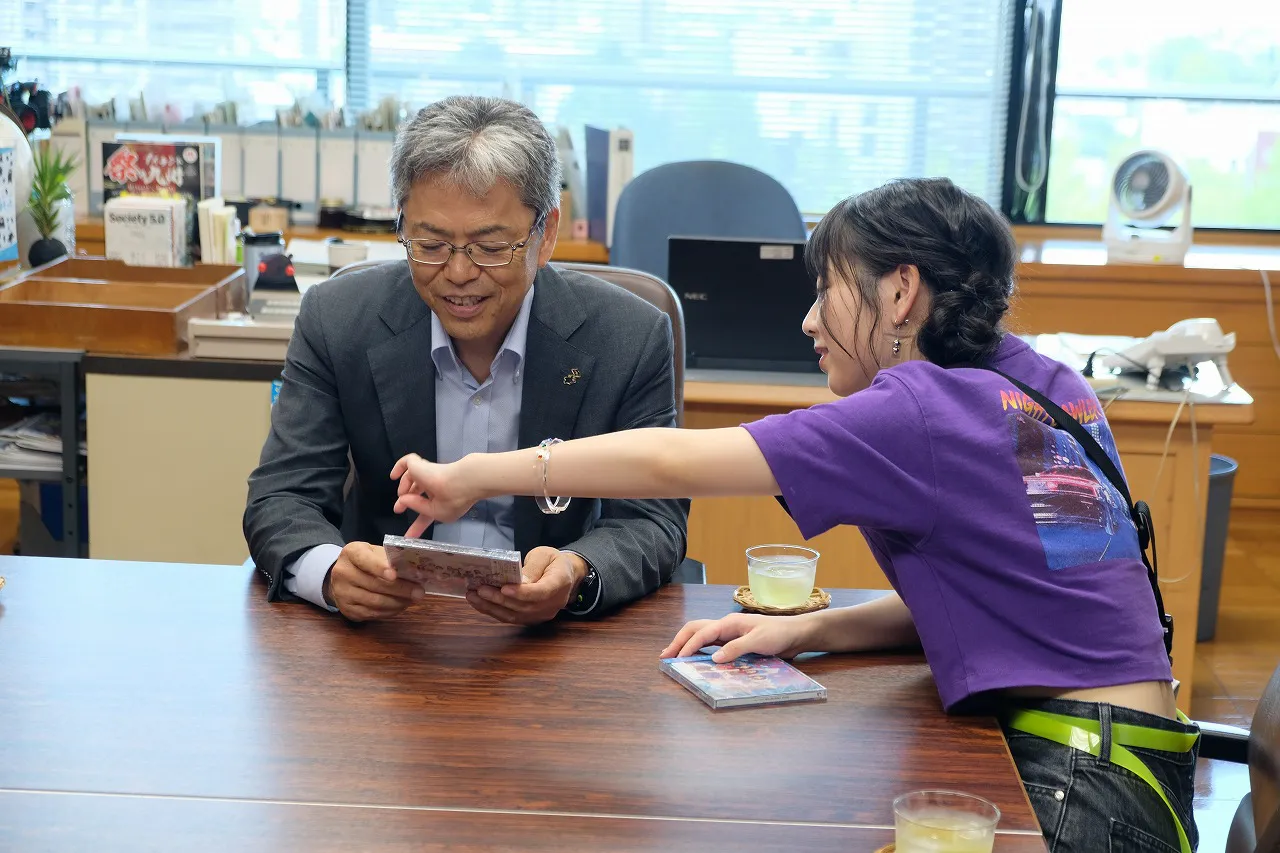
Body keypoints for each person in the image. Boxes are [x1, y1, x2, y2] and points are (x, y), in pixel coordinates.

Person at [387, 177, 1200, 853]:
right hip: (1146, 775)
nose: (810, 320)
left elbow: (676, 462)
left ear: (900, 291)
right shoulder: (1049, 387)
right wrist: (811, 629)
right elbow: (1014, 596)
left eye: (827, 290)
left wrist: (471, 475)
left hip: (1073, 790)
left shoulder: (916, 410)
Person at [244, 95, 689, 626]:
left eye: (489, 246)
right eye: (430, 244)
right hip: (389, 632)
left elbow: (653, 520)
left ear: (545, 234)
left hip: (547, 640)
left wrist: (575, 572)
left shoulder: (629, 336)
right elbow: (281, 497)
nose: (458, 273)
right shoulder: (339, 319)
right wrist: (331, 571)